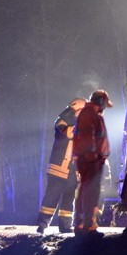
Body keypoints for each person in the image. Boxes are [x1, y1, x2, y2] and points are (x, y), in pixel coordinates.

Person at [37, 97, 86, 234]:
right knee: (51, 197)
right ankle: (42, 225)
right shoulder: (61, 122)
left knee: (68, 199)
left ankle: (65, 226)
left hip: (72, 170)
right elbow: (69, 133)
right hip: (58, 169)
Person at [73, 89, 113, 235]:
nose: (104, 108)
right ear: (101, 102)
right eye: (104, 104)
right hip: (90, 161)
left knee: (91, 191)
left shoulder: (92, 114)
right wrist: (93, 157)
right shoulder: (88, 114)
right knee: (89, 191)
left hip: (93, 160)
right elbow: (86, 137)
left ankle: (88, 224)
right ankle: (84, 225)